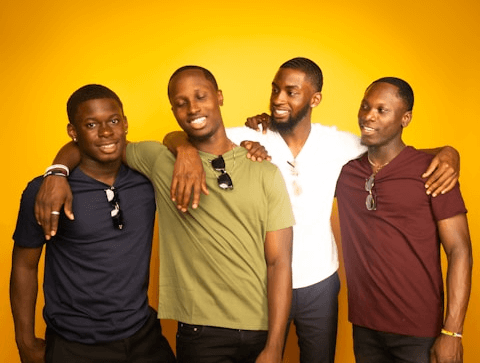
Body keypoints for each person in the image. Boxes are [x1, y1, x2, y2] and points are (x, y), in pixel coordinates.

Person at [163, 57, 461, 363]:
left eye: (291, 92)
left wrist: (448, 153)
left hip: (320, 283)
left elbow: (395, 151)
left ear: (314, 99)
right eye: (275, 89)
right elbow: (187, 134)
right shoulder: (246, 138)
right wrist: (184, 150)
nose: (278, 99)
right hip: (262, 282)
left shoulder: (340, 143)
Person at [34, 67, 295, 363]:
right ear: (173, 110)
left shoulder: (264, 170)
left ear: (219, 97)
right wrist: (57, 171)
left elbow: (279, 262)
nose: (192, 108)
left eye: (201, 96)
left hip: (260, 327)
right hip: (200, 332)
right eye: (181, 103)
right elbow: (98, 143)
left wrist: (275, 346)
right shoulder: (158, 160)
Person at [10, 84, 175, 363]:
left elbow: (178, 142)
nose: (106, 132)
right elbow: (24, 266)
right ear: (72, 132)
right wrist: (24, 342)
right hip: (74, 344)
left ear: (125, 124)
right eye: (91, 124)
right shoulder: (46, 192)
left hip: (143, 336)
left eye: (113, 121)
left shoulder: (147, 179)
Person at [335, 77, 472, 363]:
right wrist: (261, 132)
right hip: (365, 326)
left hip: (419, 331)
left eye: (382, 110)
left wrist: (453, 332)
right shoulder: (346, 173)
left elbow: (459, 251)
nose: (368, 116)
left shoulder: (434, 172)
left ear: (405, 118)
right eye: (365, 106)